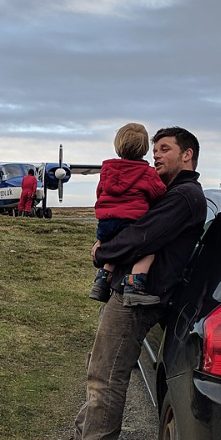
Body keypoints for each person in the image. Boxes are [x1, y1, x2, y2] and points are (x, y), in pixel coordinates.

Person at [46, 127, 207, 440]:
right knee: (98, 365)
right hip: (129, 290)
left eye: (165, 149)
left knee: (107, 373)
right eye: (154, 149)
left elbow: (142, 235)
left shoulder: (184, 196)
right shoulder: (172, 192)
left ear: (187, 155)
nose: (156, 155)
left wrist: (103, 252)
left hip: (138, 299)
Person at [89, 122, 167, 305]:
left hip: (106, 223)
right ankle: (135, 285)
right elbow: (159, 194)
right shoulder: (147, 173)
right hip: (131, 222)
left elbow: (100, 193)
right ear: (145, 148)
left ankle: (101, 281)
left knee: (115, 246)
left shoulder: (106, 171)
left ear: (118, 146)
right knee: (147, 251)